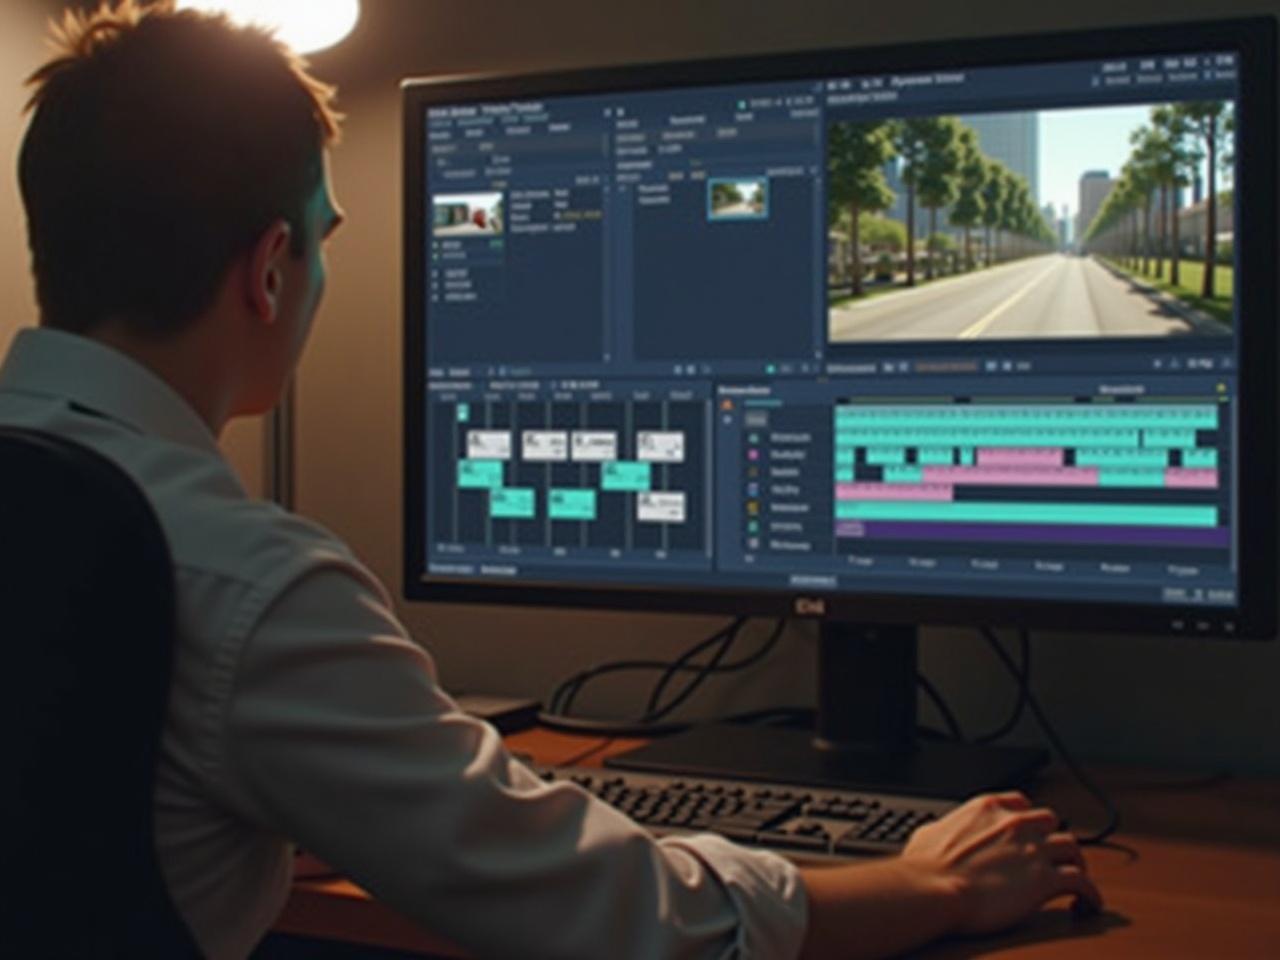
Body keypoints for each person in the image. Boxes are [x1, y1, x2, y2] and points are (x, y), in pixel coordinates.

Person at [0, 2, 1102, 958]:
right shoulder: (247, 585)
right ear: (272, 268)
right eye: (325, 239)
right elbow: (620, 920)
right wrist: (933, 884)